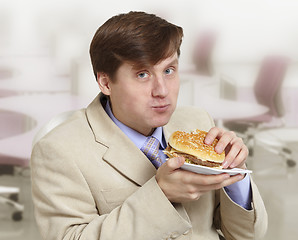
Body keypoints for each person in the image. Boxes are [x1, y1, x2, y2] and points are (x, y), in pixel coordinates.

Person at [31, 11, 267, 240]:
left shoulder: (198, 122)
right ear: (105, 82)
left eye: (168, 70)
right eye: (142, 74)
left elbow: (248, 236)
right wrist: (160, 195)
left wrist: (236, 175)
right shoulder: (58, 150)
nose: (162, 91)